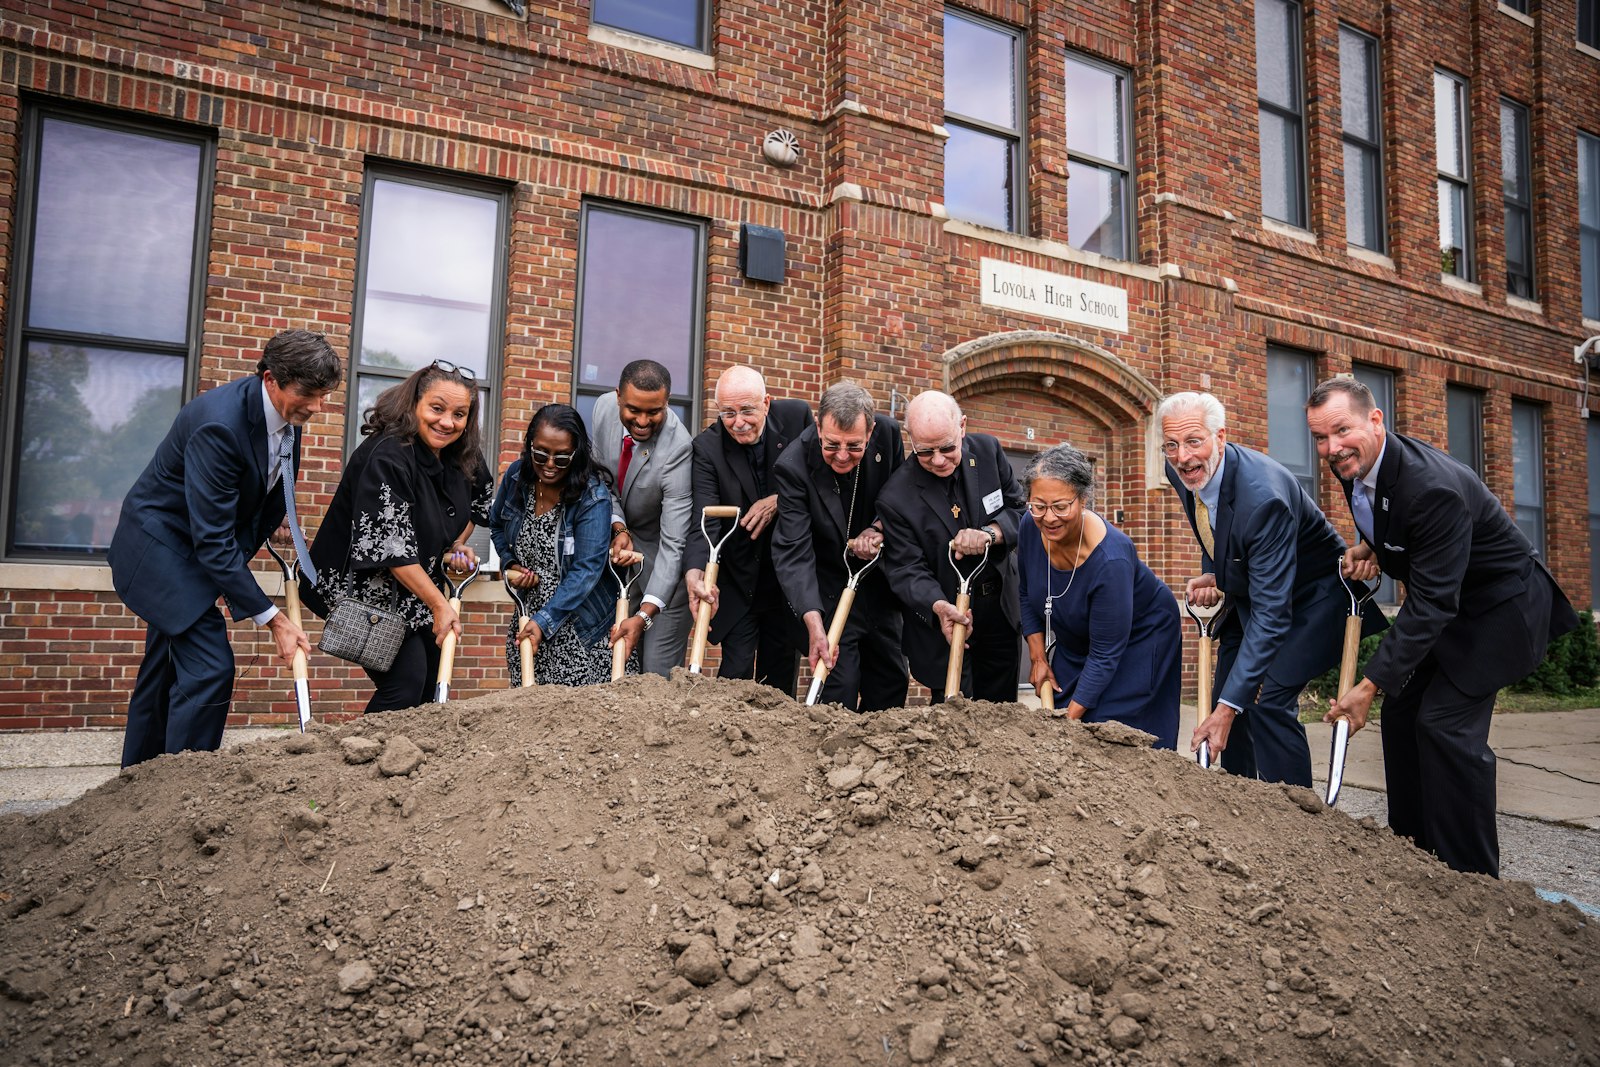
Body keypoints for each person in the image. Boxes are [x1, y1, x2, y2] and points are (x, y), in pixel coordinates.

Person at [1307, 377, 1577, 877]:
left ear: (1375, 419)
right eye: (1320, 438)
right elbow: (1395, 525)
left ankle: (1470, 878)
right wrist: (1373, 548)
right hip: (1455, 607)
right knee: (1403, 715)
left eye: (1341, 431)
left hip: (1501, 611)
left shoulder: (1432, 488)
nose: (1331, 448)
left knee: (1444, 726)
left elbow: (1430, 603)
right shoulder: (1357, 465)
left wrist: (1369, 685)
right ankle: (1415, 853)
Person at [110, 329, 342, 768]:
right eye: (308, 394)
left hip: (195, 549)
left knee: (162, 674)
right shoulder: (219, 423)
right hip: (160, 550)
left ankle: (135, 787)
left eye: (324, 395)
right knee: (209, 668)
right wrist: (273, 620)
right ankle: (185, 787)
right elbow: (212, 538)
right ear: (271, 378)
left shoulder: (286, 418)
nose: (317, 406)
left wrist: (276, 527)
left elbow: (259, 490)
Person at [1159, 391, 1384, 786]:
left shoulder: (1264, 499)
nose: (1182, 457)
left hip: (1314, 601)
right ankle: (1240, 801)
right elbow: (1212, 521)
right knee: (1228, 696)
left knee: (1266, 701)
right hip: (1254, 597)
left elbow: (1272, 613)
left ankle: (1295, 814)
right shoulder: (1184, 468)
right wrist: (1215, 570)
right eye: (1172, 445)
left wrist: (1230, 708)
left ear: (1220, 437)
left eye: (1194, 441)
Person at [304, 361, 492, 713]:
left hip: (415, 587)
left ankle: (408, 762)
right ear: (415, 404)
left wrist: (454, 543)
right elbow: (391, 548)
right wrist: (439, 604)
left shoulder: (462, 455)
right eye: (437, 408)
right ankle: (361, 760)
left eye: (459, 414)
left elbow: (482, 503)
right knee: (405, 682)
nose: (447, 422)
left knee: (432, 678)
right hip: (362, 589)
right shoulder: (388, 455)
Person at [1018, 445, 1182, 747]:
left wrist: (1064, 726)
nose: (1049, 518)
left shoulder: (1111, 560)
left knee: (1108, 728)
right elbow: (1027, 594)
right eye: (1038, 506)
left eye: (1061, 507)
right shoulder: (1030, 526)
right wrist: (1038, 658)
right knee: (1072, 706)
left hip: (1141, 637)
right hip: (1080, 640)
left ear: (1083, 500)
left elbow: (1106, 653)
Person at [877, 391, 1025, 702]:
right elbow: (906, 568)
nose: (938, 460)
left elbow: (1020, 511)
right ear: (910, 439)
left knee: (1003, 717)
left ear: (963, 426)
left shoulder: (987, 452)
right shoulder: (895, 496)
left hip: (998, 610)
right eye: (925, 452)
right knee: (953, 717)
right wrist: (938, 606)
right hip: (943, 621)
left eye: (947, 447)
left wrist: (990, 533)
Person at [771, 381, 908, 711]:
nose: (843, 456)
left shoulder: (888, 436)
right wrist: (814, 625)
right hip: (829, 588)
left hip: (877, 585)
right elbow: (794, 550)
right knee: (839, 684)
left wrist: (878, 527)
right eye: (831, 445)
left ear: (871, 430)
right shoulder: (793, 466)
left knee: (891, 680)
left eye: (854, 446)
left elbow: (901, 498)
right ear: (818, 426)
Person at [684, 366, 813, 692]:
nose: (738, 422)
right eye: (728, 413)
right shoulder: (707, 448)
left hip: (786, 579)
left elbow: (817, 483)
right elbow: (705, 520)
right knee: (734, 674)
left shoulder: (797, 419)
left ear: (766, 403)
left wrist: (777, 500)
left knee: (780, 681)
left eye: (747, 411)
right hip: (739, 579)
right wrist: (694, 573)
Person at [489, 403, 634, 686]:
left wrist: (545, 620)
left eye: (562, 457)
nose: (550, 465)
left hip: (580, 631)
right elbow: (496, 525)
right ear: (530, 445)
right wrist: (510, 563)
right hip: (528, 620)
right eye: (541, 454)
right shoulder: (517, 477)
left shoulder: (592, 496)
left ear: (576, 454)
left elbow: (587, 570)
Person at [590, 360, 694, 676]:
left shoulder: (679, 448)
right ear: (618, 395)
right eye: (634, 410)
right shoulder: (603, 409)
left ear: (668, 401)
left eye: (655, 412)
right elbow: (601, 482)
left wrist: (645, 615)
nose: (643, 421)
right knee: (607, 666)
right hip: (618, 562)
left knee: (654, 675)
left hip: (663, 571)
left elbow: (675, 542)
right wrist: (618, 526)